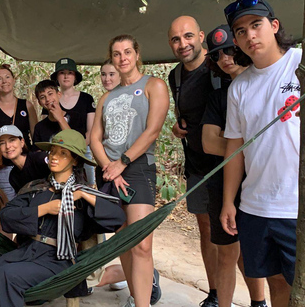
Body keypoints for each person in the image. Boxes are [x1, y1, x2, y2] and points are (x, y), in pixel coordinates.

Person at [0, 129, 126, 307]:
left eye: (62, 153)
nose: (54, 157)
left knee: (7, 276)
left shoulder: (83, 197)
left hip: (58, 260)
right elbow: (6, 217)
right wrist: (43, 209)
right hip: (26, 253)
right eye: (52, 152)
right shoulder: (36, 189)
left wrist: (84, 195)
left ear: (75, 160)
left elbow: (117, 218)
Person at [220, 0, 299, 307]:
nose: (250, 35)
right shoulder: (240, 87)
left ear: (274, 25)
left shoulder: (299, 65)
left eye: (256, 25)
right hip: (256, 206)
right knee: (276, 284)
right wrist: (229, 201)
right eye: (240, 31)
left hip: (295, 208)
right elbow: (235, 148)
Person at [90, 34, 169, 307]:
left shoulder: (153, 85)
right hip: (111, 172)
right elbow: (94, 139)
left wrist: (122, 163)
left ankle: (144, 304)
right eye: (116, 53)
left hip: (137, 169)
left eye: (127, 52)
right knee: (123, 241)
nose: (122, 58)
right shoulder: (107, 97)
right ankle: (136, 298)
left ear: (136, 54)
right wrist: (109, 168)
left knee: (142, 243)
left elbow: (153, 130)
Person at [201, 24, 267, 307]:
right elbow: (208, 142)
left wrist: (236, 148)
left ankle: (259, 301)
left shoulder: (268, 82)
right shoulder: (219, 96)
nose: (225, 58)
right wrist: (251, 150)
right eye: (218, 55)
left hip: (264, 182)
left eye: (230, 50)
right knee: (227, 253)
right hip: (224, 183)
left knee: (259, 253)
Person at [167, 15, 220, 307]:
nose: (182, 43)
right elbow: (184, 115)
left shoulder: (220, 67)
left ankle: (257, 298)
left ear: (201, 36)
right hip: (198, 165)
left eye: (187, 36)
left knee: (238, 232)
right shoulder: (175, 77)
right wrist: (178, 127)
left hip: (230, 164)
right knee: (206, 228)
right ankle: (214, 293)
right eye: (176, 39)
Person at [0, 64, 38, 201]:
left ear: (13, 80)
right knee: (6, 208)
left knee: (31, 204)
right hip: (1, 167)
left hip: (25, 163)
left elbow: (36, 136)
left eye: (7, 77)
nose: (4, 81)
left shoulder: (27, 105)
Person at [46, 58, 96, 185]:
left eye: (70, 72)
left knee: (87, 185)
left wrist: (80, 150)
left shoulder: (86, 99)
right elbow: (46, 129)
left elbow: (91, 130)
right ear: (57, 77)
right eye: (62, 72)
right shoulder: (51, 100)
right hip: (58, 152)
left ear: (75, 77)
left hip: (83, 151)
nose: (66, 76)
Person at [0, 125, 49, 193]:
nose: (8, 146)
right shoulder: (13, 176)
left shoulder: (39, 159)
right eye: (2, 143)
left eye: (12, 140)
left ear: (22, 142)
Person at [32, 79, 79, 147]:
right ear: (39, 103)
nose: (47, 99)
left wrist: (60, 119)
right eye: (42, 97)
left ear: (59, 94)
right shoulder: (39, 127)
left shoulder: (76, 117)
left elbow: (77, 145)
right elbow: (37, 152)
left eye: (50, 94)